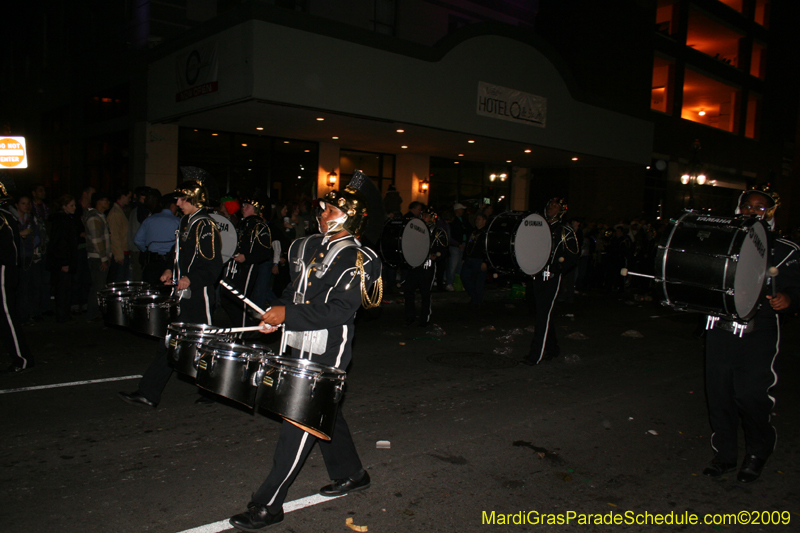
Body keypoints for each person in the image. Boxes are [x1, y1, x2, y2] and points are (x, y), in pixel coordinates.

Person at [229, 170, 383, 531]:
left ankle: (268, 504)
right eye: (324, 208)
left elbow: (340, 310)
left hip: (329, 347)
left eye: (331, 210)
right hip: (297, 339)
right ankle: (352, 473)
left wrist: (289, 314)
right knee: (323, 410)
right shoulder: (308, 245)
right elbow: (294, 293)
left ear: (352, 217)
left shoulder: (362, 259)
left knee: (298, 419)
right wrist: (275, 316)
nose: (322, 214)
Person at [702, 189, 800, 483]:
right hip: (720, 327)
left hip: (760, 331)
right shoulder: (722, 240)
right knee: (719, 395)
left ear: (770, 212)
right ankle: (725, 455)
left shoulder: (786, 250)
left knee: (751, 396)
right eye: (747, 206)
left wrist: (789, 298)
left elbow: (797, 288)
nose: (752, 211)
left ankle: (758, 451)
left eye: (760, 207)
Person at [119, 173, 223, 408]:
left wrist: (190, 280)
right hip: (181, 295)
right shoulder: (186, 222)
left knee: (203, 346)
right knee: (171, 342)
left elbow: (213, 267)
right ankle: (149, 393)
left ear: (194, 199)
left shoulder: (205, 225)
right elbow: (178, 255)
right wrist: (169, 270)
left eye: (182, 199)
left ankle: (216, 390)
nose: (177, 203)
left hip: (198, 297)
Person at [522, 198, 579, 366]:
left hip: (551, 277)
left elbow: (573, 257)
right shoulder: (539, 227)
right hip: (536, 275)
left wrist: (556, 269)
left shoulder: (565, 231)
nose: (551, 209)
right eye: (550, 206)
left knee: (543, 315)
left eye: (555, 207)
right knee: (542, 313)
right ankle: (553, 348)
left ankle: (536, 355)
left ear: (561, 211)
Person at [221, 195, 272, 328]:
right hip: (234, 267)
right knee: (227, 297)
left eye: (247, 206)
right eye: (243, 205)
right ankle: (241, 328)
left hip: (247, 268)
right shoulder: (242, 223)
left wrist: (246, 257)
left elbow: (266, 251)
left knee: (239, 300)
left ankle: (244, 332)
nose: (243, 208)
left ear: (255, 209)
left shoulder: (259, 226)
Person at [0, 177, 35, 373]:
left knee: (6, 315)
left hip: (3, 269)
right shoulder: (6, 215)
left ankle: (22, 358)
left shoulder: (3, 217)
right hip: (6, 268)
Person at [404, 205, 448, 326]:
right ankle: (410, 316)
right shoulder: (415, 229)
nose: (424, 217)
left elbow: (443, 249)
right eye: (423, 215)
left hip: (427, 265)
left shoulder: (438, 231)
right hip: (414, 264)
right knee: (408, 289)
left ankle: (424, 318)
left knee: (425, 292)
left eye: (427, 216)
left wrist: (436, 256)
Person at [11, 195, 44, 325]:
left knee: (33, 286)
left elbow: (37, 236)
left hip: (30, 256)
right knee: (21, 288)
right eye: (23, 203)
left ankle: (32, 313)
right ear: (16, 205)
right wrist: (20, 234)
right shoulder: (12, 219)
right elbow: (8, 238)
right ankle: (22, 316)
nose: (26, 206)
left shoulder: (30, 219)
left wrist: (35, 246)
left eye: (28, 203)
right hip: (17, 257)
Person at [47, 195, 80, 323]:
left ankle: (64, 313)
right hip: (63, 261)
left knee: (65, 288)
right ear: (64, 206)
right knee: (63, 288)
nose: (74, 208)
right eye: (71, 205)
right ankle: (62, 314)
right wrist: (64, 262)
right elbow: (61, 243)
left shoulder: (66, 219)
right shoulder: (62, 221)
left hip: (64, 259)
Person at [134, 194, 181, 286]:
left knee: (151, 289)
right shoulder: (178, 221)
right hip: (170, 262)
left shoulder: (149, 220)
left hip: (152, 262)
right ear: (172, 206)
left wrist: (147, 250)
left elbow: (137, 240)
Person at [84, 192, 112, 321]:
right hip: (97, 257)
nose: (107, 203)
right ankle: (93, 312)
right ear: (98, 202)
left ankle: (95, 311)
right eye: (105, 200)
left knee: (99, 284)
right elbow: (96, 240)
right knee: (98, 285)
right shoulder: (94, 218)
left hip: (100, 256)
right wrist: (103, 259)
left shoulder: (100, 216)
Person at [460, 211, 489, 305]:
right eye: (476, 219)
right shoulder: (473, 231)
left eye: (479, 219)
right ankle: (474, 297)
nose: (477, 221)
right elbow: (468, 244)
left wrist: (485, 261)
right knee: (465, 278)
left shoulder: (486, 233)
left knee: (478, 282)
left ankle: (477, 301)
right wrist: (464, 258)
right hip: (469, 259)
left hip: (479, 260)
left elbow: (487, 248)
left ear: (484, 221)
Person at [107, 188, 132, 283]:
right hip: (120, 252)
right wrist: (119, 255)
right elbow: (114, 235)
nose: (129, 200)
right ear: (122, 197)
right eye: (128, 197)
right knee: (119, 280)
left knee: (122, 279)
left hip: (123, 250)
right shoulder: (115, 213)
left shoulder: (120, 211)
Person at [445, 203, 471, 291]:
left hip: (462, 244)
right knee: (453, 265)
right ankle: (449, 282)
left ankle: (458, 283)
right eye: (461, 209)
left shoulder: (464, 219)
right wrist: (457, 243)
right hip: (455, 246)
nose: (463, 211)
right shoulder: (453, 220)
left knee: (460, 265)